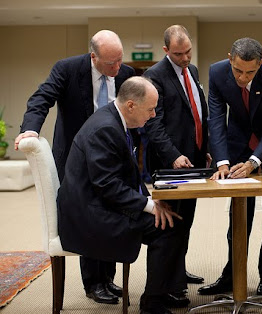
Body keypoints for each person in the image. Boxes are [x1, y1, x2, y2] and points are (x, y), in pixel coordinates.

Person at [14, 30, 135, 304]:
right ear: (94, 57)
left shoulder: (125, 73)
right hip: (75, 157)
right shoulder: (68, 69)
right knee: (90, 215)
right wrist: (31, 129)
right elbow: (41, 98)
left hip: (113, 156)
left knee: (113, 213)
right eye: (110, 63)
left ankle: (108, 278)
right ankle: (93, 283)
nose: (116, 68)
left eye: (119, 61)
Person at [57, 76, 186, 314]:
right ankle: (153, 302)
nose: (154, 115)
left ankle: (163, 290)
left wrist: (149, 200)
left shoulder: (114, 119)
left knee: (170, 218)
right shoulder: (105, 128)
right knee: (169, 227)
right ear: (131, 106)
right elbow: (107, 185)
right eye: (150, 109)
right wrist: (148, 206)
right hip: (89, 215)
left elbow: (122, 177)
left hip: (99, 203)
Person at [198, 37, 262, 296]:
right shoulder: (218, 72)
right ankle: (232, 274)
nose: (242, 77)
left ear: (260, 64)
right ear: (230, 58)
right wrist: (222, 161)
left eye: (250, 72)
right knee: (239, 214)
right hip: (239, 144)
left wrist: (255, 161)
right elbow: (216, 118)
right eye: (238, 70)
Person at [143, 25, 211, 308]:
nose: (185, 58)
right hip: (171, 164)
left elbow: (198, 113)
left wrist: (203, 150)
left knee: (186, 222)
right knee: (171, 223)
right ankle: (168, 286)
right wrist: (173, 156)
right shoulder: (153, 76)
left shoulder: (192, 71)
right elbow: (154, 124)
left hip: (193, 160)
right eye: (179, 54)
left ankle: (177, 274)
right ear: (166, 51)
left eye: (188, 52)